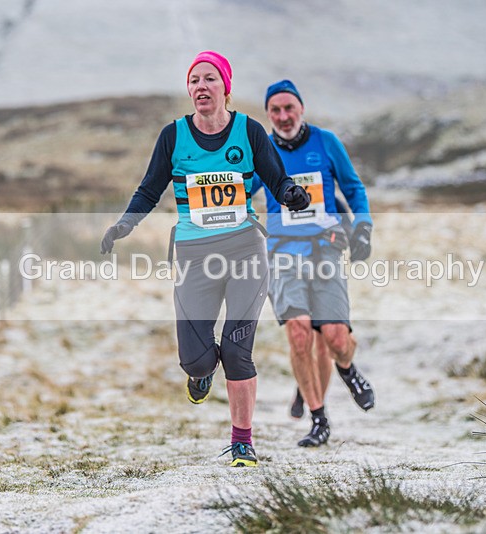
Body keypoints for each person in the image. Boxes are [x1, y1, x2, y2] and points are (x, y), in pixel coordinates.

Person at [100, 52, 310, 467]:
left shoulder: (249, 131)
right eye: (194, 80)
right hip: (195, 256)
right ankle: (202, 371)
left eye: (209, 78)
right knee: (194, 359)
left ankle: (242, 442)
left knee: (237, 350)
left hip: (245, 251)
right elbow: (149, 189)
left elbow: (276, 178)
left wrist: (290, 194)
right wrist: (124, 224)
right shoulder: (173, 137)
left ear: (225, 87)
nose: (201, 86)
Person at [252, 79, 375, 448]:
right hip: (283, 253)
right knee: (300, 333)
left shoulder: (326, 142)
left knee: (335, 339)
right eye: (275, 110)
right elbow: (239, 193)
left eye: (289, 108)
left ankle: (348, 369)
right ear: (268, 114)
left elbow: (353, 188)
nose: (283, 116)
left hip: (325, 249)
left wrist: (363, 227)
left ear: (301, 109)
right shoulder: (263, 150)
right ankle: (318, 419)